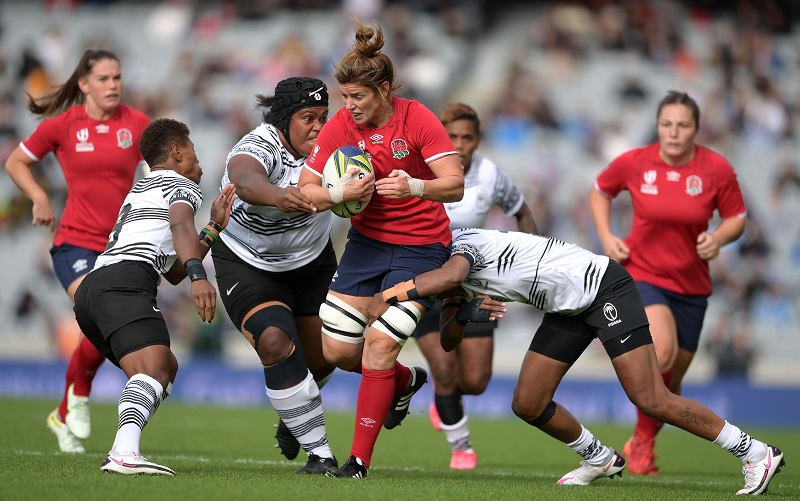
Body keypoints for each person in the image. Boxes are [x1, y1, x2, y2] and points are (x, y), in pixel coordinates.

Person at [369, 228, 785, 495]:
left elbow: (450, 278)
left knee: (650, 397)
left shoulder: (457, 246)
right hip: (566, 307)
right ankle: (601, 458)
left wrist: (387, 296)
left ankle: (754, 452)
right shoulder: (440, 268)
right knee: (527, 402)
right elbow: (447, 340)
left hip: (604, 287)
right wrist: (463, 314)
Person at [297, 19, 464, 479]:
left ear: (385, 89)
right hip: (366, 248)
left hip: (422, 251)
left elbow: (455, 185)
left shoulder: (417, 118)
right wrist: (340, 195)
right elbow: (305, 190)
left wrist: (415, 186)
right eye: (344, 98)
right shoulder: (340, 128)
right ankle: (406, 381)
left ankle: (357, 463)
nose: (349, 108)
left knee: (378, 346)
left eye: (358, 98)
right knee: (336, 353)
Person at [589, 90, 748, 476]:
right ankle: (641, 449)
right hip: (643, 275)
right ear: (658, 126)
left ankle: (644, 439)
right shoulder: (635, 162)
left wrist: (719, 237)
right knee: (660, 353)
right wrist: (608, 239)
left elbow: (736, 217)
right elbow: (600, 191)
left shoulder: (716, 169)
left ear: (696, 128)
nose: (674, 132)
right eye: (667, 124)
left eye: (682, 125)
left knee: (671, 380)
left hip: (693, 285)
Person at [4, 49, 151, 453]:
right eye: (103, 79)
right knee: (104, 314)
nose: (113, 85)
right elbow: (16, 161)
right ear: (84, 84)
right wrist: (38, 197)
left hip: (121, 247)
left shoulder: (137, 124)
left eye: (117, 77)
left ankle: (63, 413)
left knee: (102, 324)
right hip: (74, 243)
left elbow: (161, 169)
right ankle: (80, 395)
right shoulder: (64, 126)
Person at [73, 118, 235, 476]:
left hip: (94, 290)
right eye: (192, 149)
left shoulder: (144, 187)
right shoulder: (183, 186)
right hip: (124, 283)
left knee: (163, 368)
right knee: (155, 368)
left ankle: (122, 450)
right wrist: (200, 277)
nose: (198, 158)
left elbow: (172, 269)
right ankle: (123, 454)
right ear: (176, 152)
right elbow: (180, 229)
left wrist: (214, 226)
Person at [211, 77, 338, 474]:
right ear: (283, 119)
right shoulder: (258, 145)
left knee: (324, 358)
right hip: (248, 262)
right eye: (307, 118)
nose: (318, 127)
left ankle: (292, 419)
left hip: (313, 262)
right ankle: (320, 454)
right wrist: (277, 194)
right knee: (275, 343)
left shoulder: (334, 146)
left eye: (322, 117)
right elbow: (245, 179)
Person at [410, 102, 537, 470]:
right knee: (445, 369)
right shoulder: (420, 170)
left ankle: (441, 399)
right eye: (452, 136)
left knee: (477, 380)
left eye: (467, 137)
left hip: (474, 283)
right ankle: (461, 447)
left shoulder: (491, 176)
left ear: (478, 139)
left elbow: (522, 210)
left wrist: (528, 259)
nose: (460, 144)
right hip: (426, 279)